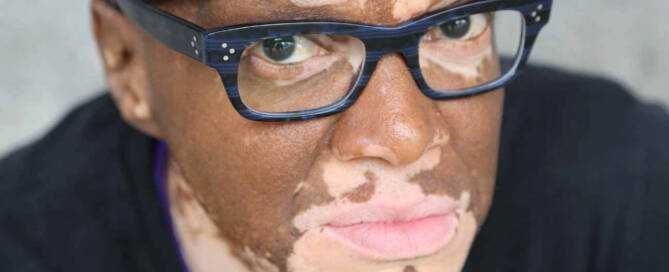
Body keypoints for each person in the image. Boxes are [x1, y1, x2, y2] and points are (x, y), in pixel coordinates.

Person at [1, 0, 667, 271]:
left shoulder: (625, 187)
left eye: (456, 26)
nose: (405, 137)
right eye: (283, 48)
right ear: (127, 63)